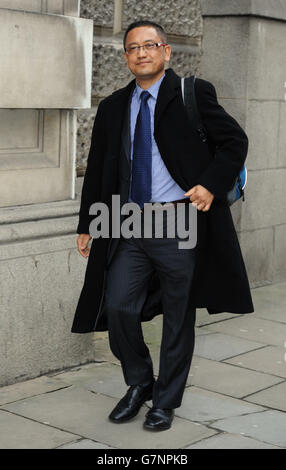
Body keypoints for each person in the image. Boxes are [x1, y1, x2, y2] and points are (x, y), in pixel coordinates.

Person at [71, 20, 254, 431]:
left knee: (177, 314)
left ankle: (165, 401)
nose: (141, 53)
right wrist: (88, 223)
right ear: (125, 57)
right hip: (129, 222)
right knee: (117, 305)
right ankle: (139, 382)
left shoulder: (192, 93)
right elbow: (99, 168)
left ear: (166, 52)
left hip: (180, 221)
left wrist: (209, 184)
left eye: (150, 45)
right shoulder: (114, 106)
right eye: (133, 47)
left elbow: (234, 142)